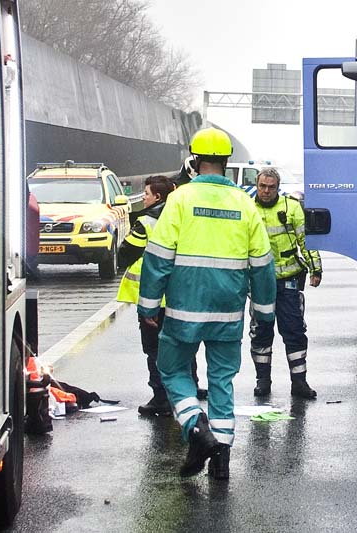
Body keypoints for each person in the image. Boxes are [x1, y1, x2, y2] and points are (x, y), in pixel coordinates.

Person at [138, 128, 276, 479]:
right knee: (221, 381)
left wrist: (149, 306)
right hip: (228, 311)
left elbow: (158, 257)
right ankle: (222, 459)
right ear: (227, 162)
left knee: (171, 369)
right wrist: (263, 313)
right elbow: (262, 266)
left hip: (184, 309)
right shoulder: (245, 204)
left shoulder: (181, 199)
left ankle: (196, 427)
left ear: (195, 160)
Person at [117, 175, 207, 416]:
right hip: (180, 296)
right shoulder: (183, 219)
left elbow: (125, 252)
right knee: (184, 345)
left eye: (146, 194)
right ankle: (191, 388)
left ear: (157, 197)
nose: (143, 198)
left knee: (155, 350)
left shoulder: (146, 222)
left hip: (153, 299)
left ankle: (161, 398)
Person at [249, 168, 323, 399]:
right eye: (263, 186)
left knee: (294, 332)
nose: (266, 191)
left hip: (288, 282)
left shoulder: (291, 208)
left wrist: (316, 268)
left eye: (271, 187)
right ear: (257, 185)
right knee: (261, 332)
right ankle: (263, 381)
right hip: (259, 284)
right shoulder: (248, 210)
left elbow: (305, 240)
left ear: (278, 188)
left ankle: (299, 382)